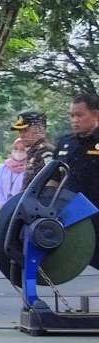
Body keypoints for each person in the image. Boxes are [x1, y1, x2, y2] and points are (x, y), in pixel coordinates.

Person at [54, 93, 99, 267]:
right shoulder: (65, 143)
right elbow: (54, 179)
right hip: (71, 217)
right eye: (71, 115)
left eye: (79, 115)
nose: (74, 120)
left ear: (95, 115)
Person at [13, 111, 55, 188]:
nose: (21, 135)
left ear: (39, 129)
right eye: (20, 131)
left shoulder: (46, 152)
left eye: (25, 130)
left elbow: (49, 187)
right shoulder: (34, 152)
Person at [0, 138, 27, 209]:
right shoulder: (3, 167)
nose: (18, 152)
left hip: (21, 208)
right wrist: (3, 205)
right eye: (15, 148)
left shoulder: (30, 168)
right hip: (3, 208)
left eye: (22, 149)